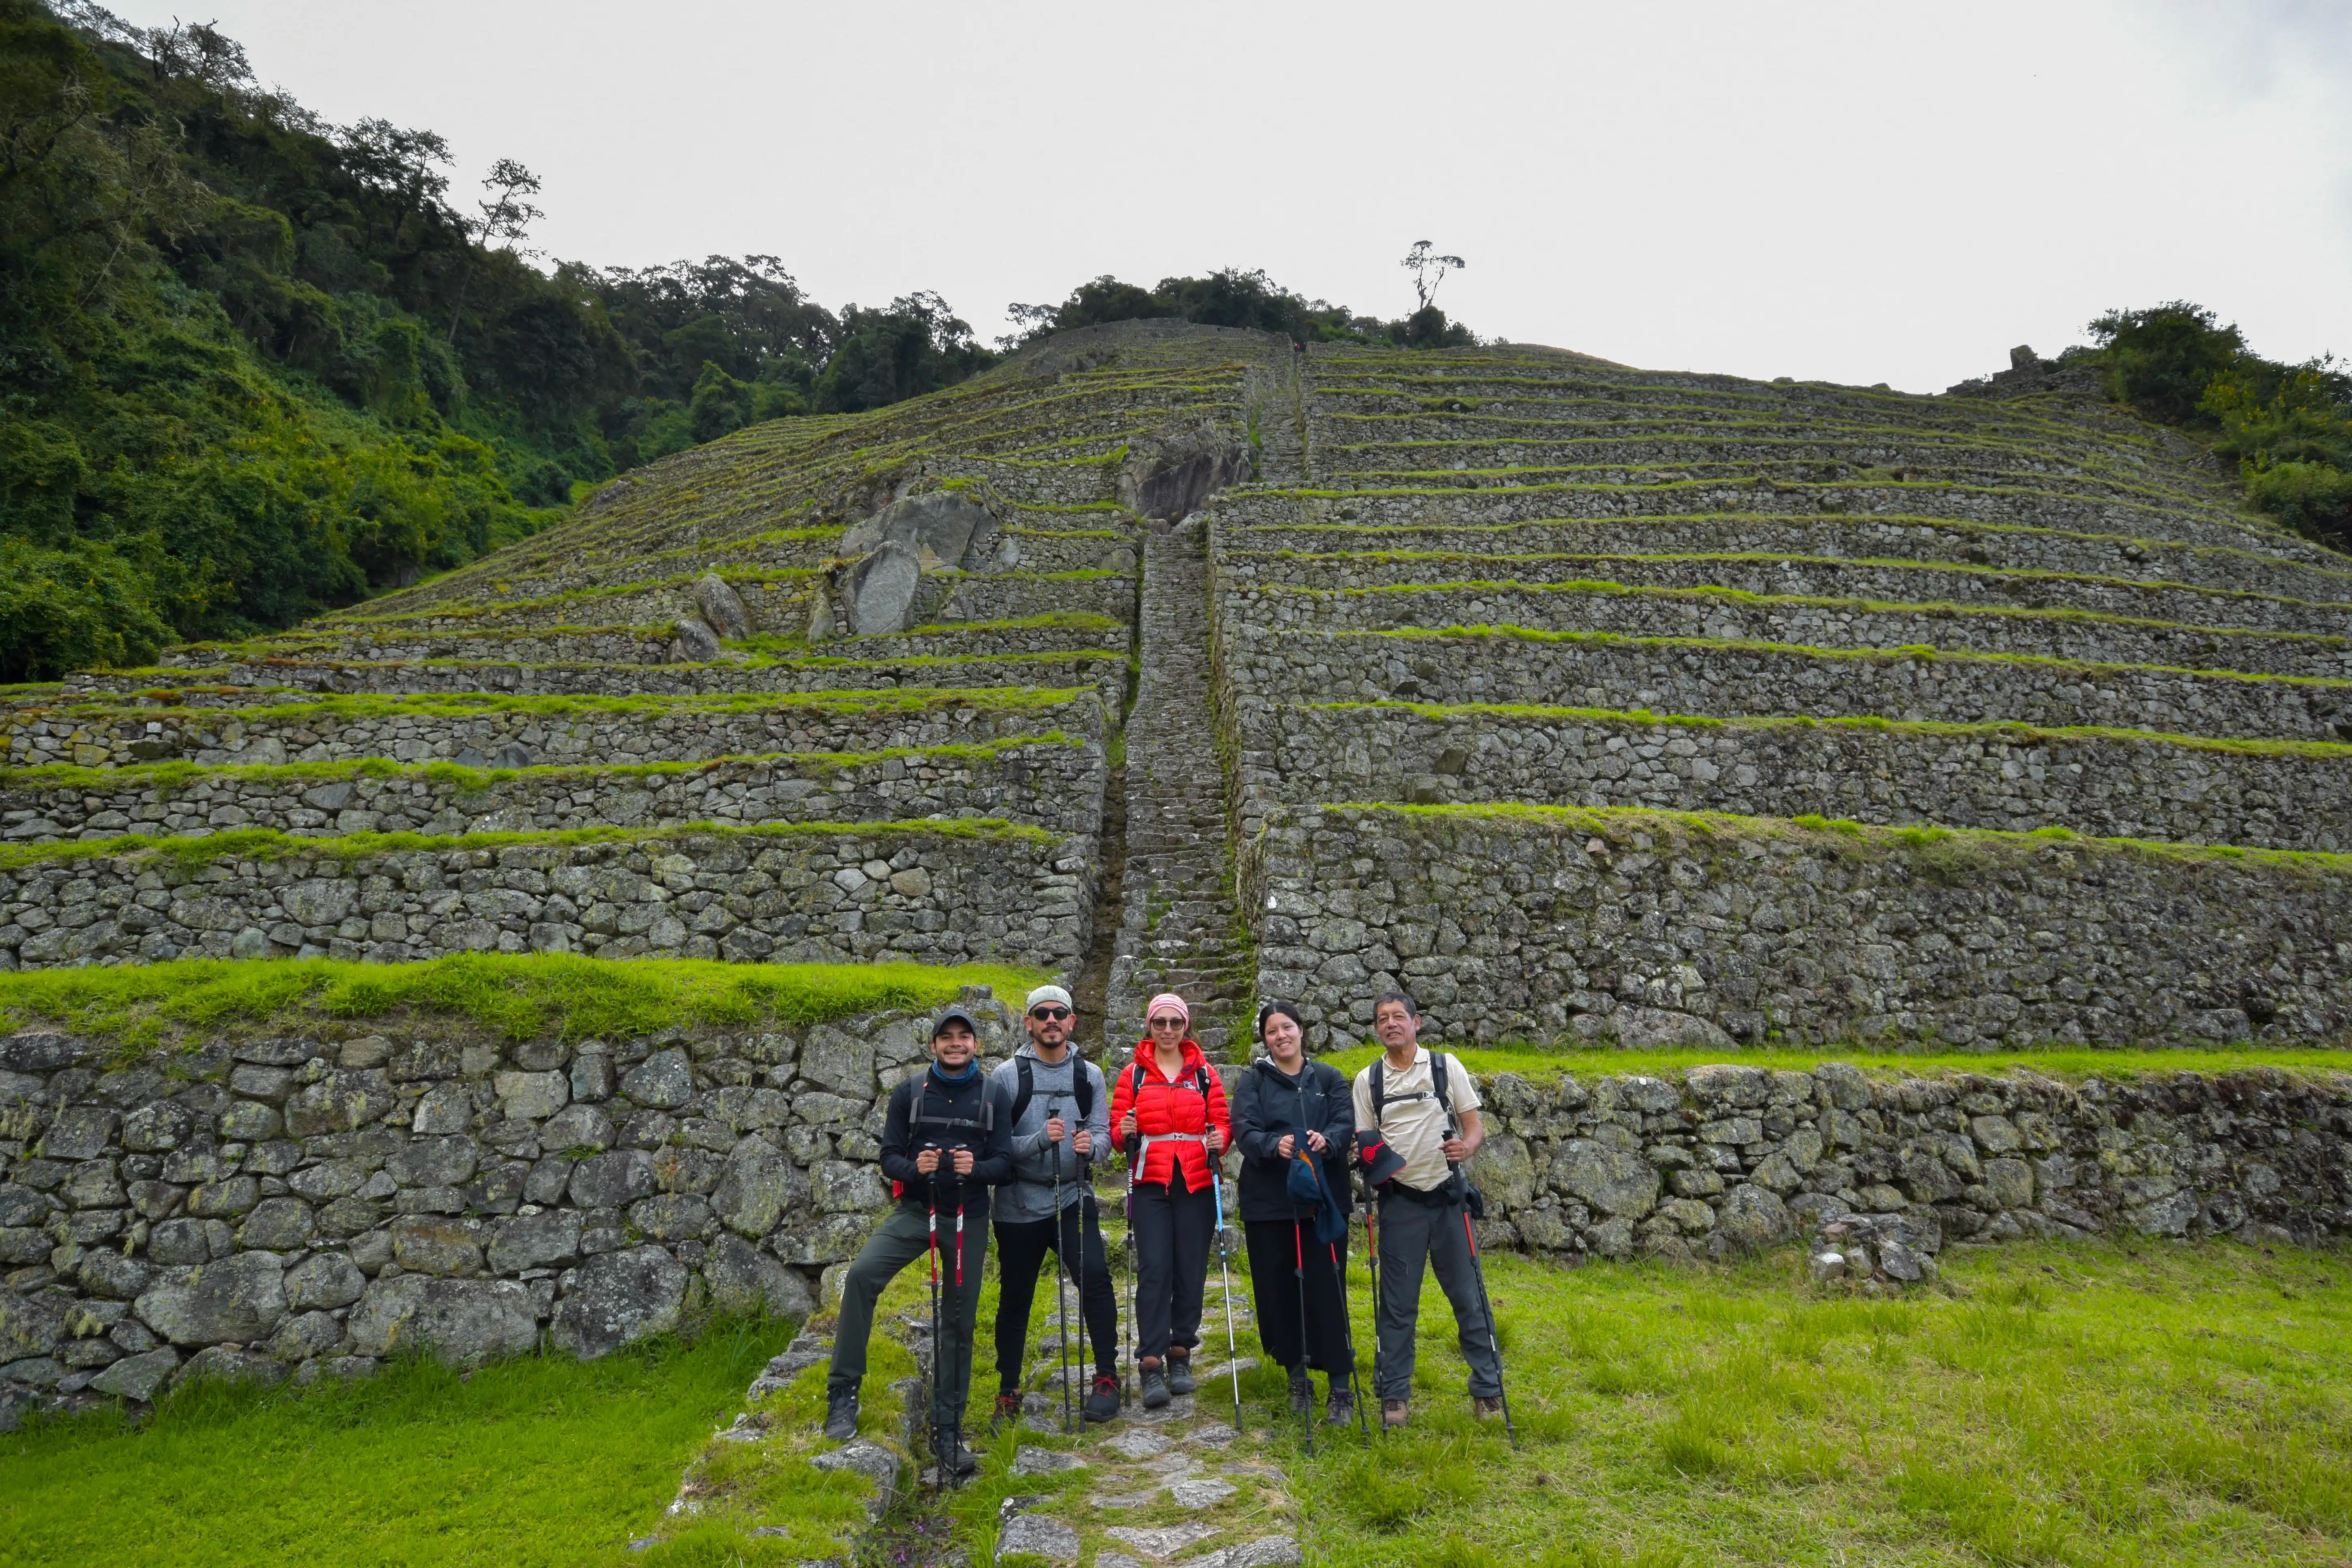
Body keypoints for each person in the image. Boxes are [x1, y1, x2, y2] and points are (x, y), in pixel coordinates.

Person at [823, 1007, 1013, 1475]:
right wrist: (916, 1170)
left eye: (963, 1037)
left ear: (976, 1045)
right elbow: (889, 1156)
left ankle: (948, 1431)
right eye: (945, 1037)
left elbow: (1005, 1162)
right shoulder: (909, 1092)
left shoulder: (994, 1094)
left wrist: (977, 1170)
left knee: (959, 1320)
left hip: (970, 1215)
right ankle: (842, 1393)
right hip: (916, 1211)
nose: (954, 1044)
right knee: (863, 1275)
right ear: (933, 1046)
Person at [1350, 989, 1502, 1429]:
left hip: (1448, 1199)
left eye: (1399, 1016)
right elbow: (1366, 1141)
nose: (1391, 1024)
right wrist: (1373, 1161)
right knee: (1397, 1306)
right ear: (1377, 1029)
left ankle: (1488, 1390)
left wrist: (1465, 1148)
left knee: (1469, 1299)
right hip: (1400, 1205)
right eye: (1383, 1019)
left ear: (1417, 1023)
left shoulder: (1444, 1066)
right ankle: (1394, 1395)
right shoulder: (1368, 1081)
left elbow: (1474, 1127)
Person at [988, 984, 1121, 1427]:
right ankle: (1008, 1389)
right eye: (1041, 1014)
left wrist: (1093, 1147)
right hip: (1018, 1202)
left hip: (1072, 1194)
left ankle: (1106, 1377)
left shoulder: (1090, 1076)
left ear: (1071, 1022)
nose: (1050, 1021)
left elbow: (1104, 1134)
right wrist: (1040, 1140)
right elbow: (995, 1148)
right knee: (1016, 1297)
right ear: (1028, 1023)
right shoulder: (1006, 1077)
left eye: (1058, 1013)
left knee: (1097, 1280)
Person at [1228, 1000, 1357, 1424]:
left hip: (1322, 1203)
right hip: (1270, 1204)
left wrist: (1328, 1141)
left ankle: (1341, 1384)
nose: (1280, 1036)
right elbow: (1244, 1129)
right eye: (1272, 1031)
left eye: (1287, 1027)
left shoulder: (1328, 1078)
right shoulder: (1254, 1081)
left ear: (1302, 1031)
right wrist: (1273, 1145)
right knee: (1278, 1292)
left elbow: (1344, 1121)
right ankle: (1297, 1376)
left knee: (1327, 1290)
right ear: (1265, 1039)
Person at [1109, 992, 1230, 1409]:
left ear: (1185, 1026)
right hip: (1150, 1182)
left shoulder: (1204, 1073)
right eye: (1159, 1023)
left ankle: (1181, 1352)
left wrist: (1221, 1139)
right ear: (1149, 1026)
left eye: (1174, 1023)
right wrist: (1123, 1130)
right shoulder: (1134, 1075)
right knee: (1155, 1267)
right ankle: (1150, 1361)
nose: (1166, 1030)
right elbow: (1116, 1131)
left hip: (1195, 1179)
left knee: (1191, 1268)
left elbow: (1221, 1122)